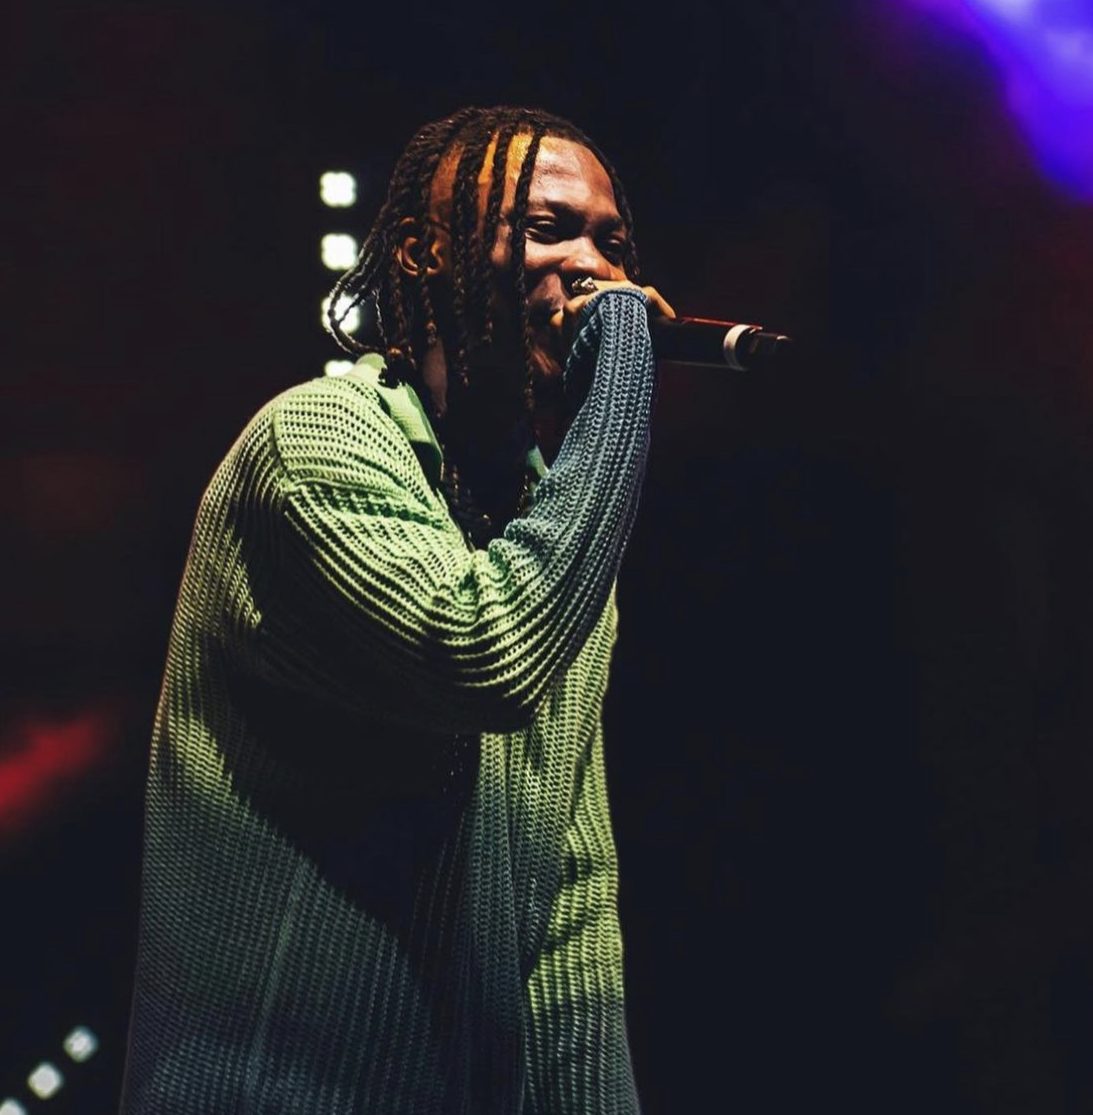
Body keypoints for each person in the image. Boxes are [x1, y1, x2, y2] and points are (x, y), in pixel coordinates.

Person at [119, 104, 675, 1115]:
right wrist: (621, 386)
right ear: (426, 253)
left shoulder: (548, 525)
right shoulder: (314, 441)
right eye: (547, 228)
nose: (596, 270)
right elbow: (486, 655)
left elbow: (570, 903)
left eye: (613, 242)